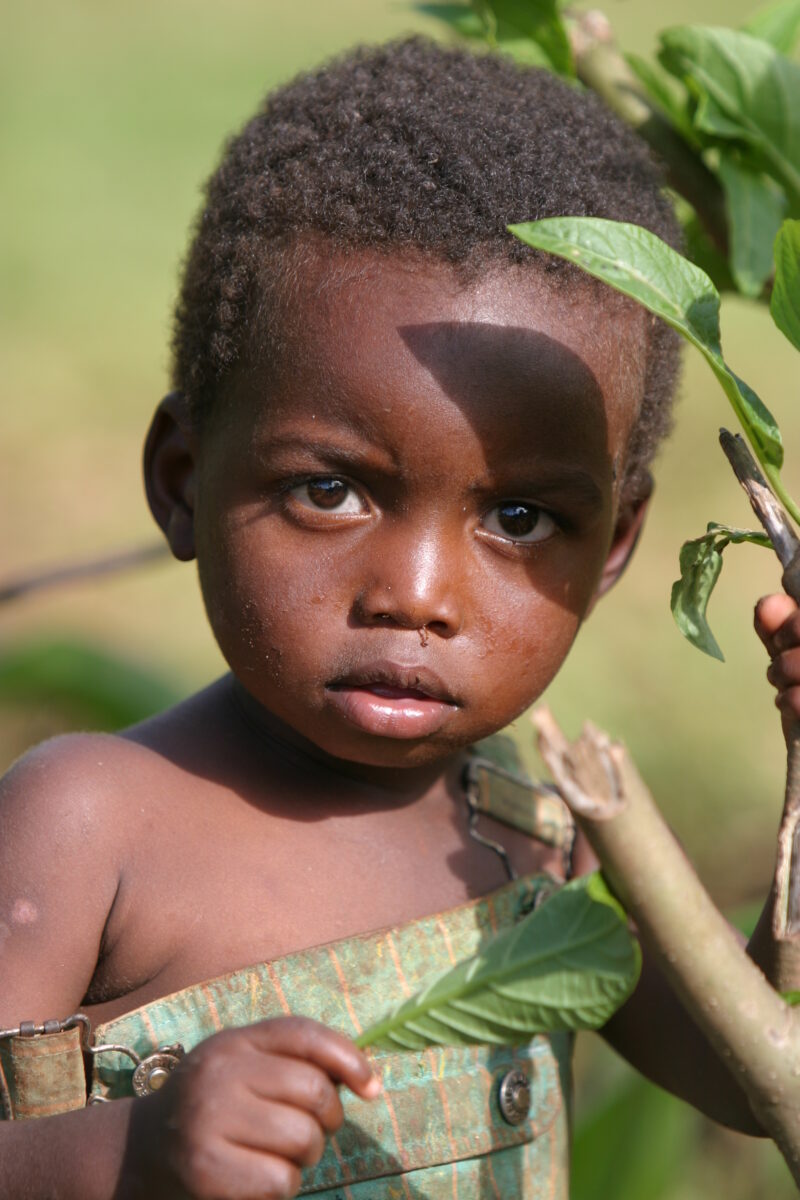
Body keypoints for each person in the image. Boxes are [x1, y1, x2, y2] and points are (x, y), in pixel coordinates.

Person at [1, 36, 797, 1200]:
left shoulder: (538, 841)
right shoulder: (85, 827)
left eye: (519, 518)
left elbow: (752, 1071)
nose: (415, 594)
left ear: (613, 547)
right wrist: (129, 1151)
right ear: (181, 479)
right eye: (329, 492)